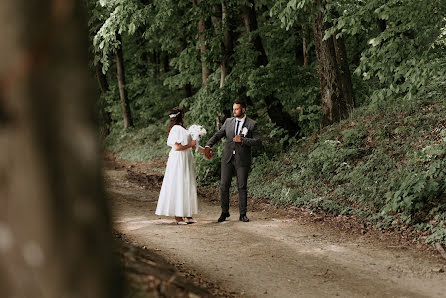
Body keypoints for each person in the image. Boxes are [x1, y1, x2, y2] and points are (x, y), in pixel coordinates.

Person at [205, 101, 262, 222]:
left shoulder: (252, 124)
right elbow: (218, 134)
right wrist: (208, 145)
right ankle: (224, 212)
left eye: (237, 109)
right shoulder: (228, 122)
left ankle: (243, 214)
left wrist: (243, 140)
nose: (234, 111)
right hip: (228, 158)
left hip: (242, 159)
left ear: (243, 110)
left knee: (242, 186)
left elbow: (258, 141)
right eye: (233, 109)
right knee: (224, 185)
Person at [155, 107, 206, 224]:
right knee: (179, 184)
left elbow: (192, 145)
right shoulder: (176, 129)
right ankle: (178, 216)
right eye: (184, 115)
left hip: (186, 158)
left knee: (187, 183)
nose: (185, 117)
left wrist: (205, 151)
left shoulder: (183, 129)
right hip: (179, 160)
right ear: (181, 116)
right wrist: (191, 144)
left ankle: (188, 214)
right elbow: (177, 147)